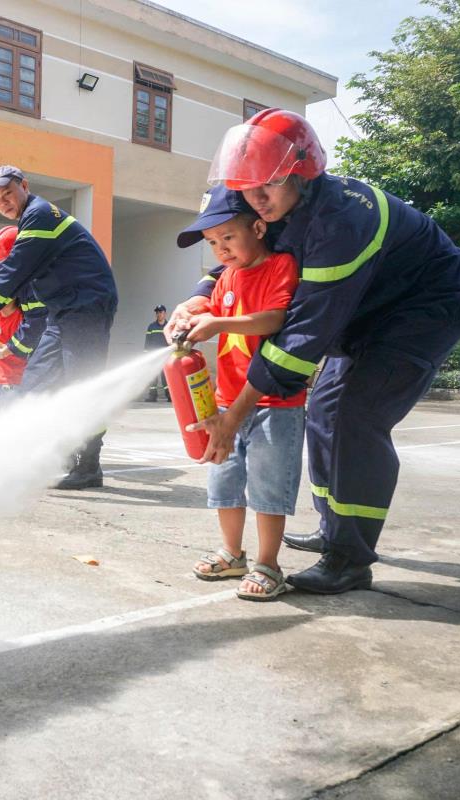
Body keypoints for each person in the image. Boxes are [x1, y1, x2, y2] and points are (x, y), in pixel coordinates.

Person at [170, 109, 460, 594]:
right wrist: (196, 297)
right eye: (248, 190)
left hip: (419, 310)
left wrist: (236, 419)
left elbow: (298, 341)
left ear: (303, 173)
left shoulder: (344, 221)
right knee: (323, 414)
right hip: (359, 312)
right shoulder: (265, 200)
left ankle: (350, 557)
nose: (256, 200)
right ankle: (335, 528)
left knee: (354, 416)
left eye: (266, 188)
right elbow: (242, 255)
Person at [174, 185, 305, 600]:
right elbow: (209, 312)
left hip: (274, 402)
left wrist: (217, 325)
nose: (221, 249)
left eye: (228, 237)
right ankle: (233, 554)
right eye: (213, 243)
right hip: (225, 399)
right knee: (225, 479)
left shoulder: (281, 265)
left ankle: (269, 564)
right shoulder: (225, 277)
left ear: (260, 227)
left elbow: (273, 319)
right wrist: (187, 324)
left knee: (268, 487)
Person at [0, 166, 118, 489]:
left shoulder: (40, 216)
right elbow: (10, 275)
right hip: (61, 311)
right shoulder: (32, 224)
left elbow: (13, 272)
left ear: (24, 186)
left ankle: (88, 465)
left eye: (8, 194)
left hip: (86, 306)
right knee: (34, 385)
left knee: (82, 386)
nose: (3, 202)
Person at [144, 305, 170, 402]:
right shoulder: (151, 327)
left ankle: (169, 396)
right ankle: (152, 396)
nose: (158, 314)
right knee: (153, 376)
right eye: (157, 312)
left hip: (165, 357)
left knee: (166, 377)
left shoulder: (169, 327)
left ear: (164, 313)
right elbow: (147, 342)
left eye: (160, 312)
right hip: (154, 356)